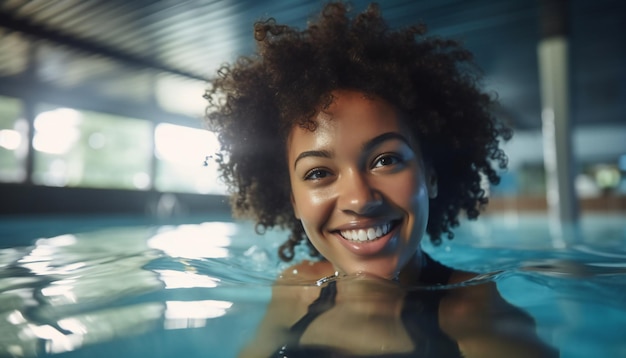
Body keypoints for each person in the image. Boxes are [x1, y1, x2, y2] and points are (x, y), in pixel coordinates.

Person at [205, 2, 558, 357]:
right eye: (319, 173)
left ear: (430, 176)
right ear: (294, 200)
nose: (360, 199)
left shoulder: (475, 315)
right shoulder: (295, 289)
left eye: (385, 160)